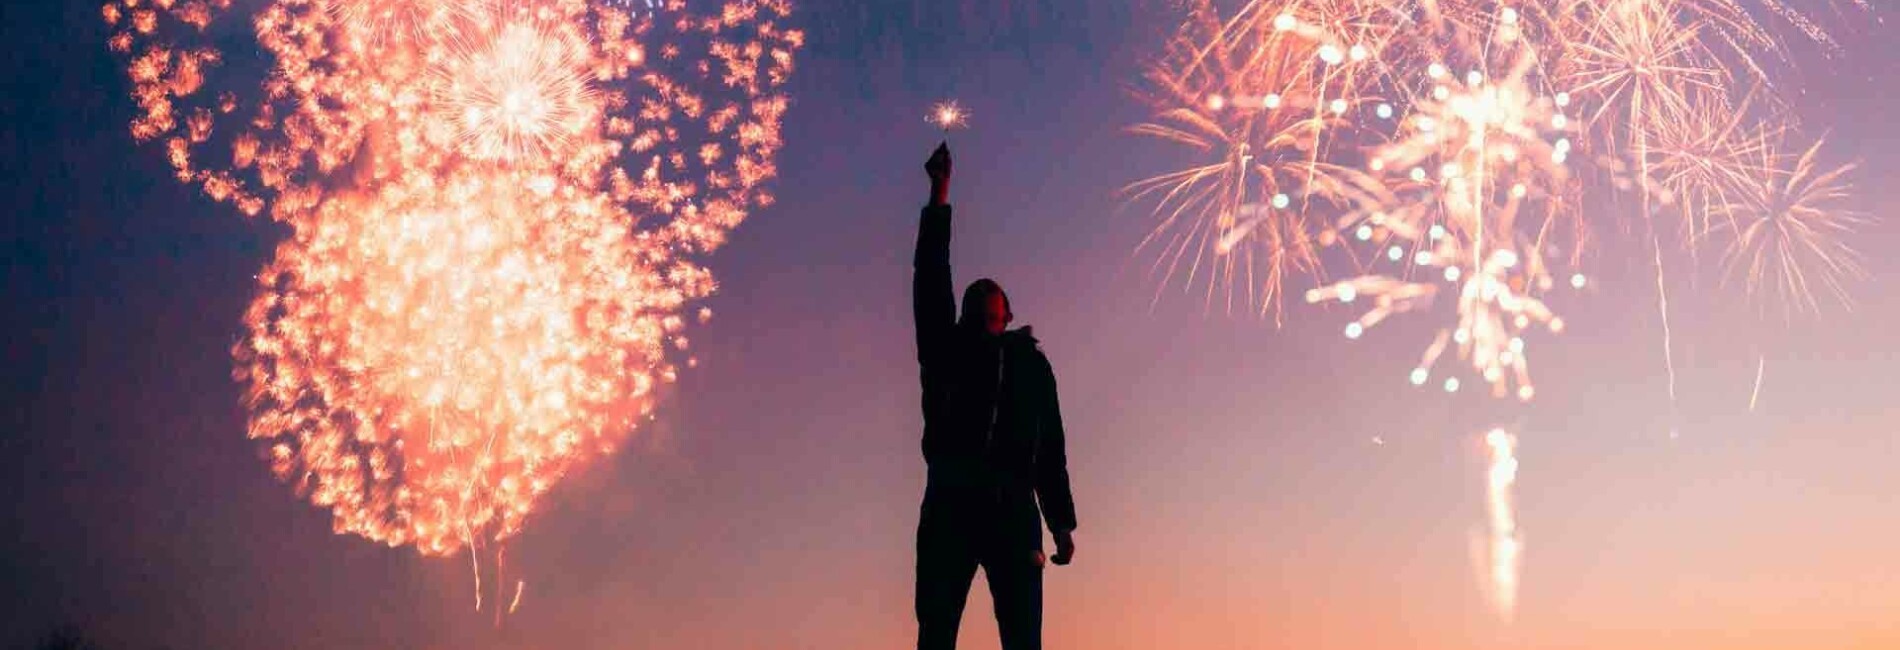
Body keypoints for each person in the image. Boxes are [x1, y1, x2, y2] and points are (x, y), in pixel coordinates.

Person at [913, 142, 1077, 650]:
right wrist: (939, 194)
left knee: (1023, 639)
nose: (984, 320)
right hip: (951, 502)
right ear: (962, 318)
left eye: (991, 313)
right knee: (937, 633)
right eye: (973, 312)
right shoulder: (945, 350)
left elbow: (1049, 445)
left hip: (1012, 509)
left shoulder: (1030, 365)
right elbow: (931, 280)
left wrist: (1061, 524)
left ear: (1007, 317)